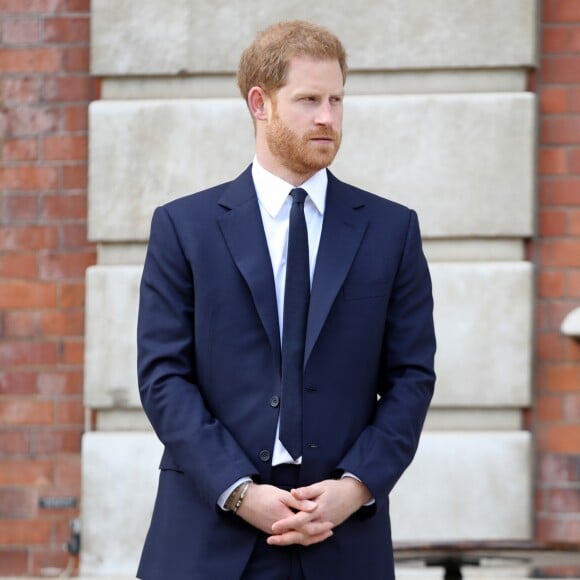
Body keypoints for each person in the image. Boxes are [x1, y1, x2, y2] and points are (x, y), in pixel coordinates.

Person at [136, 19, 436, 580]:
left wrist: (355, 488)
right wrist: (239, 491)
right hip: (208, 533)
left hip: (342, 540)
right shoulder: (184, 228)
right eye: (308, 100)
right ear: (260, 103)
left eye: (336, 100)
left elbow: (412, 377)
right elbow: (162, 377)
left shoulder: (392, 230)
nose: (327, 117)